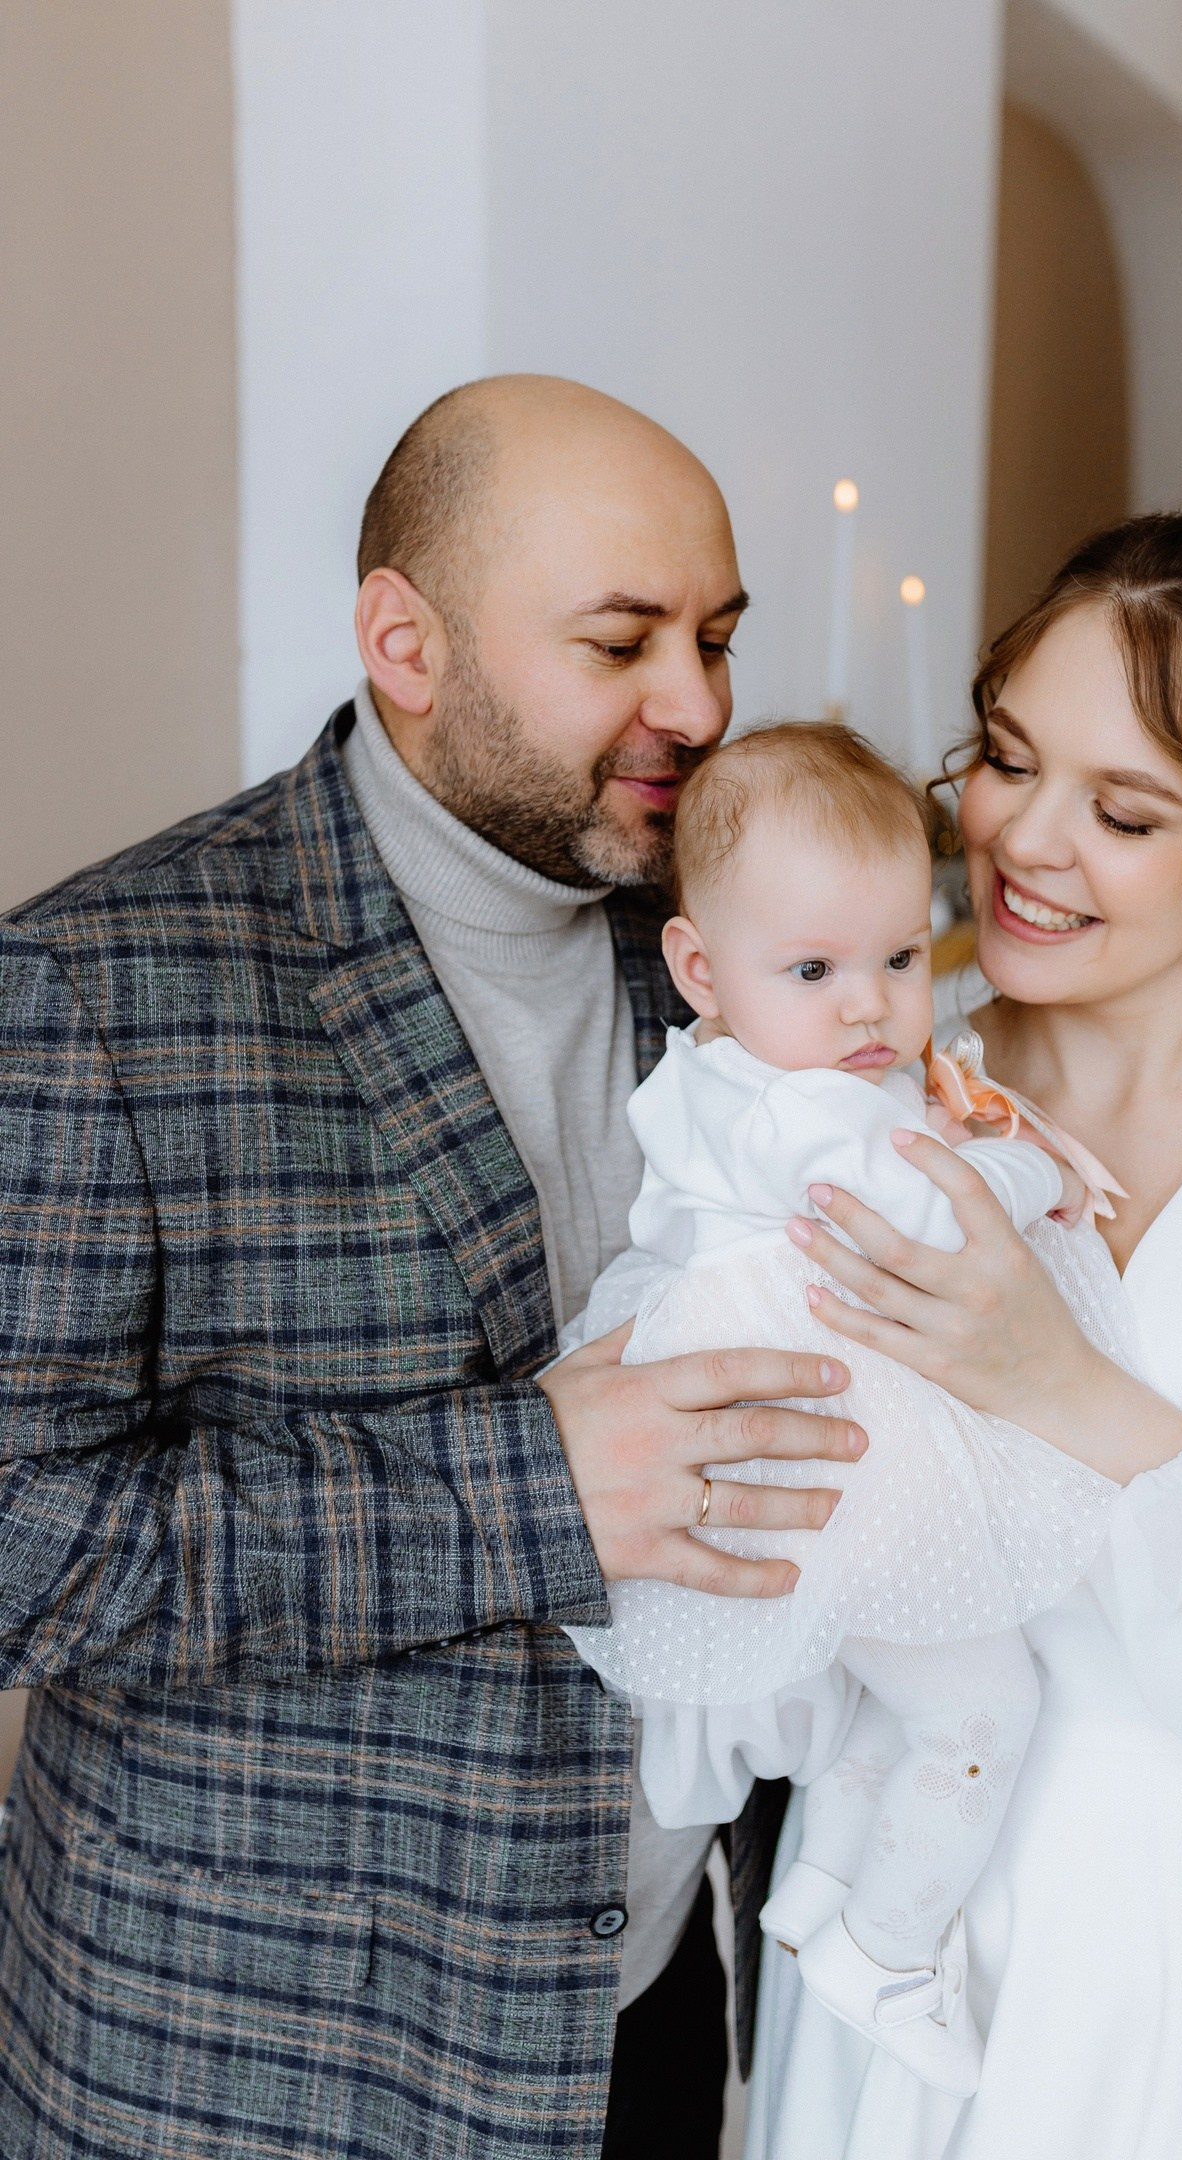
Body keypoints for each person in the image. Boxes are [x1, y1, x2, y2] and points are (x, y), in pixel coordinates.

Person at [0, 375, 864, 2160]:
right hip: (261, 2071)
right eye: (620, 643)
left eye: (716, 639)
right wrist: (528, 1487)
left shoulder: (726, 944)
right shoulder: (96, 985)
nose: (699, 707)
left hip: (649, 2019)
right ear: (405, 641)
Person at [745, 513, 1182, 2160]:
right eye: (1006, 760)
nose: (1023, 841)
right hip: (915, 1957)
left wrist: (1059, 1388)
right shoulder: (861, 1091)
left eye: (1124, 812)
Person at [562, 720, 1131, 2095]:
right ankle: (889, 1948)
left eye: (899, 957)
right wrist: (1035, 1172)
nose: (871, 1007)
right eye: (815, 971)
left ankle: (821, 1890)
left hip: (838, 1449)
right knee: (987, 1707)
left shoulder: (758, 1068)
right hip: (832, 1453)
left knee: (902, 1684)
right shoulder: (793, 1114)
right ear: (700, 968)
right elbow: (923, 1212)